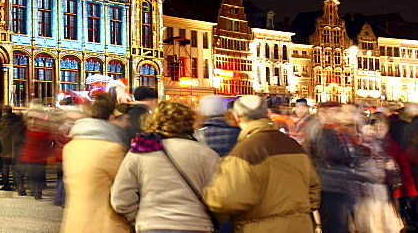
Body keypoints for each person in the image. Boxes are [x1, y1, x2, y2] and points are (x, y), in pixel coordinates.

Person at [204, 95, 321, 233]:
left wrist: (209, 195)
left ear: (236, 116)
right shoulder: (294, 147)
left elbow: (225, 200)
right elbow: (313, 192)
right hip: (299, 227)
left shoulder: (243, 153)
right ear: (268, 114)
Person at [111, 99, 221, 231]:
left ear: (153, 121)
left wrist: (141, 217)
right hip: (197, 225)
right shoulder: (207, 154)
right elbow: (221, 198)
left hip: (152, 225)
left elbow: (121, 198)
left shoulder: (141, 150)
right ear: (189, 122)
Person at [61, 95, 129, 233]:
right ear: (110, 118)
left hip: (74, 223)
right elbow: (125, 189)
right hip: (105, 223)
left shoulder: (71, 147)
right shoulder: (111, 149)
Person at [305, 100, 361, 233]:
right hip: (329, 183)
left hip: (340, 182)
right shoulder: (321, 130)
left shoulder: (339, 130)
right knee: (334, 224)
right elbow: (328, 154)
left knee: (341, 223)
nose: (339, 114)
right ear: (326, 112)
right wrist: (350, 153)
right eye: (336, 111)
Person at [0, 105, 23, 191]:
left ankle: (6, 184)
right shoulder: (17, 121)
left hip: (3, 148)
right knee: (15, 167)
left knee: (5, 167)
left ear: (3, 111)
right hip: (15, 147)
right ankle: (16, 184)